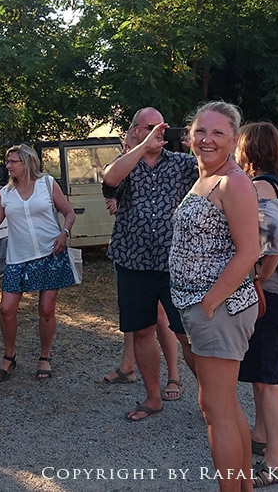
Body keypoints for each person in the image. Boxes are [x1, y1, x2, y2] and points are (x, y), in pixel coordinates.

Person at [169, 101, 261, 492]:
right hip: (201, 308)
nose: (207, 139)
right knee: (223, 404)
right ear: (189, 136)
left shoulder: (232, 182)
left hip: (219, 310)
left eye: (218, 133)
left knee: (215, 410)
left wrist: (209, 303)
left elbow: (249, 251)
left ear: (234, 139)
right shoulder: (205, 177)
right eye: (200, 131)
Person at [102, 107, 198, 421]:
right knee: (142, 332)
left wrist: (197, 145)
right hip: (133, 262)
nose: (158, 132)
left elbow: (221, 174)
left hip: (175, 264)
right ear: (135, 131)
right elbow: (110, 179)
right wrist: (142, 147)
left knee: (187, 335)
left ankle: (212, 399)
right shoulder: (125, 163)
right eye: (149, 127)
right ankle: (153, 398)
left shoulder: (182, 163)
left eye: (161, 128)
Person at [0, 144, 76, 381]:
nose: (8, 166)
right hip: (18, 258)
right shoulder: (5, 194)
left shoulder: (47, 184)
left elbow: (69, 213)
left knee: (46, 309)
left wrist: (64, 233)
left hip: (49, 254)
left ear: (26, 162)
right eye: (7, 161)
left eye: (12, 161)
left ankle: (45, 356)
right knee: (6, 309)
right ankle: (9, 356)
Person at [236, 122, 278, 487]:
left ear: (247, 150)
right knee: (260, 373)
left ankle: (274, 462)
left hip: (269, 294)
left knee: (267, 380)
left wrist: (260, 277)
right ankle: (260, 435)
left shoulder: (258, 187)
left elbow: (277, 237)